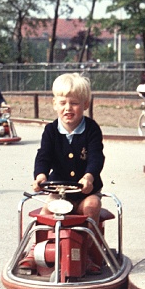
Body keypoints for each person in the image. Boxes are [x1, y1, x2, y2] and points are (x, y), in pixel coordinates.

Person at [21, 73, 106, 275]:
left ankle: (86, 254)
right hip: (60, 192)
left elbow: (96, 157)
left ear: (85, 104)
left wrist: (89, 177)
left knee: (91, 206)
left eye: (74, 103)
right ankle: (36, 252)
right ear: (54, 105)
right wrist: (40, 175)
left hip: (86, 192)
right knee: (46, 213)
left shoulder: (91, 129)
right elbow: (43, 156)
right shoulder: (51, 130)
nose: (68, 108)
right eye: (63, 103)